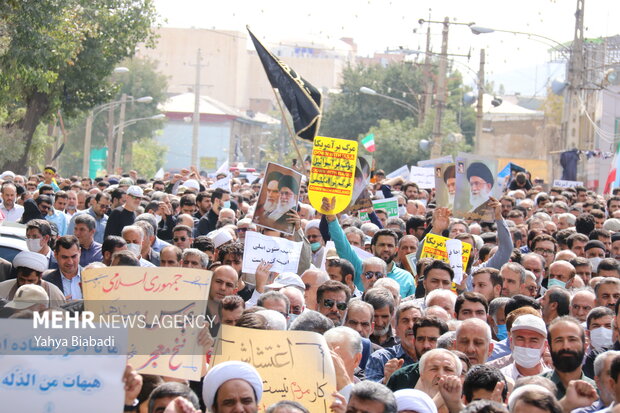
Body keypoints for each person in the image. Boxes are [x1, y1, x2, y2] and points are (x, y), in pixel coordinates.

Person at [540, 316, 596, 399]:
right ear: (549, 347)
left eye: (572, 340)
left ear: (585, 346)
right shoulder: (535, 389)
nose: (566, 346)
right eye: (559, 340)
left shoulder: (598, 392)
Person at [0, 250, 65, 307]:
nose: (25, 284)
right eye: (22, 280)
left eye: (30, 281)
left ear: (40, 276)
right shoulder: (2, 289)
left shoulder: (54, 294)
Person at [499, 314, 550, 380]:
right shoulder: (500, 379)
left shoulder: (554, 381)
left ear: (545, 345)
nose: (526, 345)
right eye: (520, 339)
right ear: (511, 341)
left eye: (533, 340)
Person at [42, 235, 82, 300]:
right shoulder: (46, 280)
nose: (70, 262)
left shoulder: (92, 277)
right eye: (65, 257)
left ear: (80, 252)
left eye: (73, 256)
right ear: (55, 255)